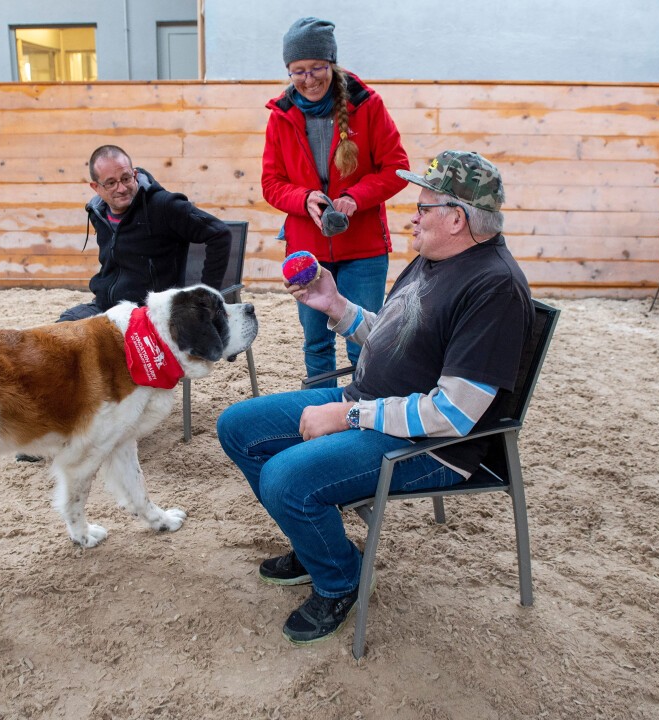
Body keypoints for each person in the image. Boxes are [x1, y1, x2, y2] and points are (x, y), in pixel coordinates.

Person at [217, 151, 534, 645]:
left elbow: (452, 413)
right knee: (238, 426)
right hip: (370, 405)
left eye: (424, 206)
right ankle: (318, 542)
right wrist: (337, 306)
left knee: (285, 478)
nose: (413, 215)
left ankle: (341, 581)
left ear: (457, 218)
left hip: (432, 446)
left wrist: (348, 415)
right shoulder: (435, 259)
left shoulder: (493, 288)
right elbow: (395, 338)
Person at [262, 16, 410, 386]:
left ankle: (366, 411)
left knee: (366, 341)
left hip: (363, 249)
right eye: (298, 71)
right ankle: (322, 412)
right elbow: (270, 183)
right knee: (316, 343)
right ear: (288, 71)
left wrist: (354, 198)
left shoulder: (368, 105)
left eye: (317, 68)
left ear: (332, 64)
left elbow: (397, 168)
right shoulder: (281, 115)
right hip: (307, 248)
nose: (308, 79)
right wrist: (303, 198)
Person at [58, 145, 232, 322]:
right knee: (59, 334)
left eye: (126, 178)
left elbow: (219, 233)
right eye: (111, 183)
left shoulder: (164, 206)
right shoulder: (98, 213)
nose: (121, 188)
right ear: (96, 187)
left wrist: (207, 297)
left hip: (148, 315)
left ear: (134, 174)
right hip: (107, 309)